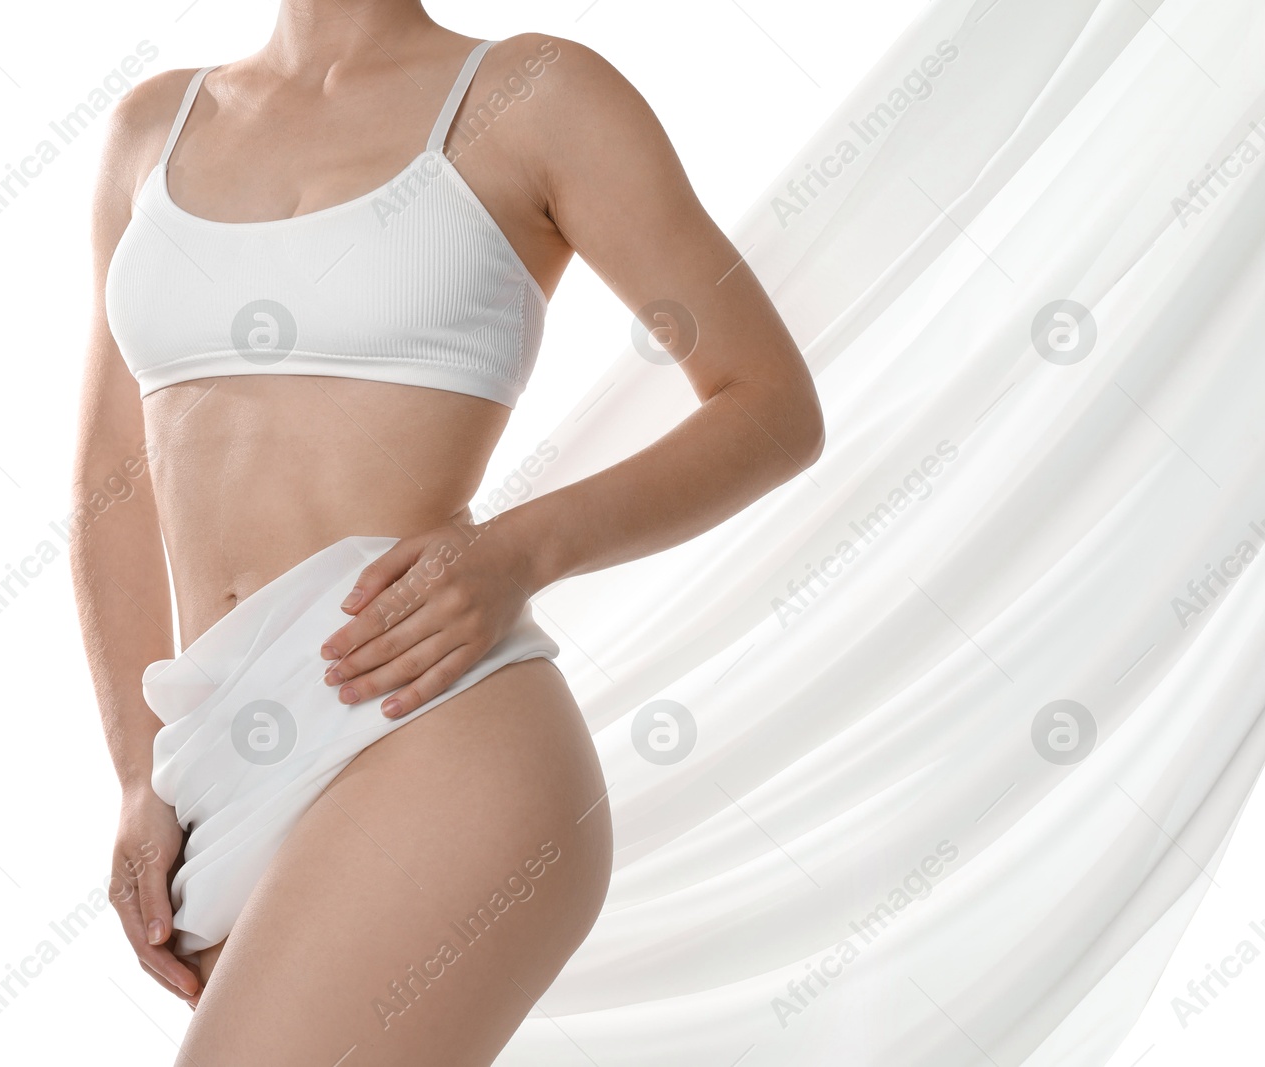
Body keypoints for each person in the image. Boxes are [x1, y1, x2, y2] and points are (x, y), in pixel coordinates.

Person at [71, 3, 823, 1062]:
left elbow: (769, 404)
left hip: (427, 715)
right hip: (220, 752)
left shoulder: (535, 96)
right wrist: (139, 775)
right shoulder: (151, 127)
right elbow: (112, 481)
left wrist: (520, 550)